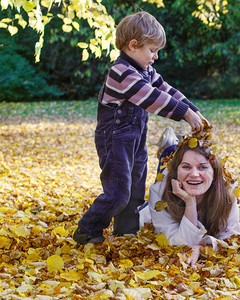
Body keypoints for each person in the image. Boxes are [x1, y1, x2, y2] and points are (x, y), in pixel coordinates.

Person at [73, 11, 208, 245]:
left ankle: (126, 232)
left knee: (136, 187)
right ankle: (88, 229)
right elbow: (150, 96)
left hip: (135, 138)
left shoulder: (146, 71)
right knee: (118, 192)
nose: (155, 57)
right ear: (134, 45)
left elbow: (165, 89)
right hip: (114, 139)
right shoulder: (121, 72)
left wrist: (192, 110)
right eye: (152, 50)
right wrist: (183, 113)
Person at [139, 127, 240, 266]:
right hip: (149, 211)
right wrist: (190, 202)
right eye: (186, 167)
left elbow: (231, 239)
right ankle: (169, 149)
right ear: (176, 172)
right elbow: (177, 244)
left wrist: (202, 248)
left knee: (180, 163)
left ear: (215, 172)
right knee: (164, 170)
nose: (194, 174)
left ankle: (171, 147)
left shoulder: (227, 193)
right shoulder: (158, 191)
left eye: (203, 167)